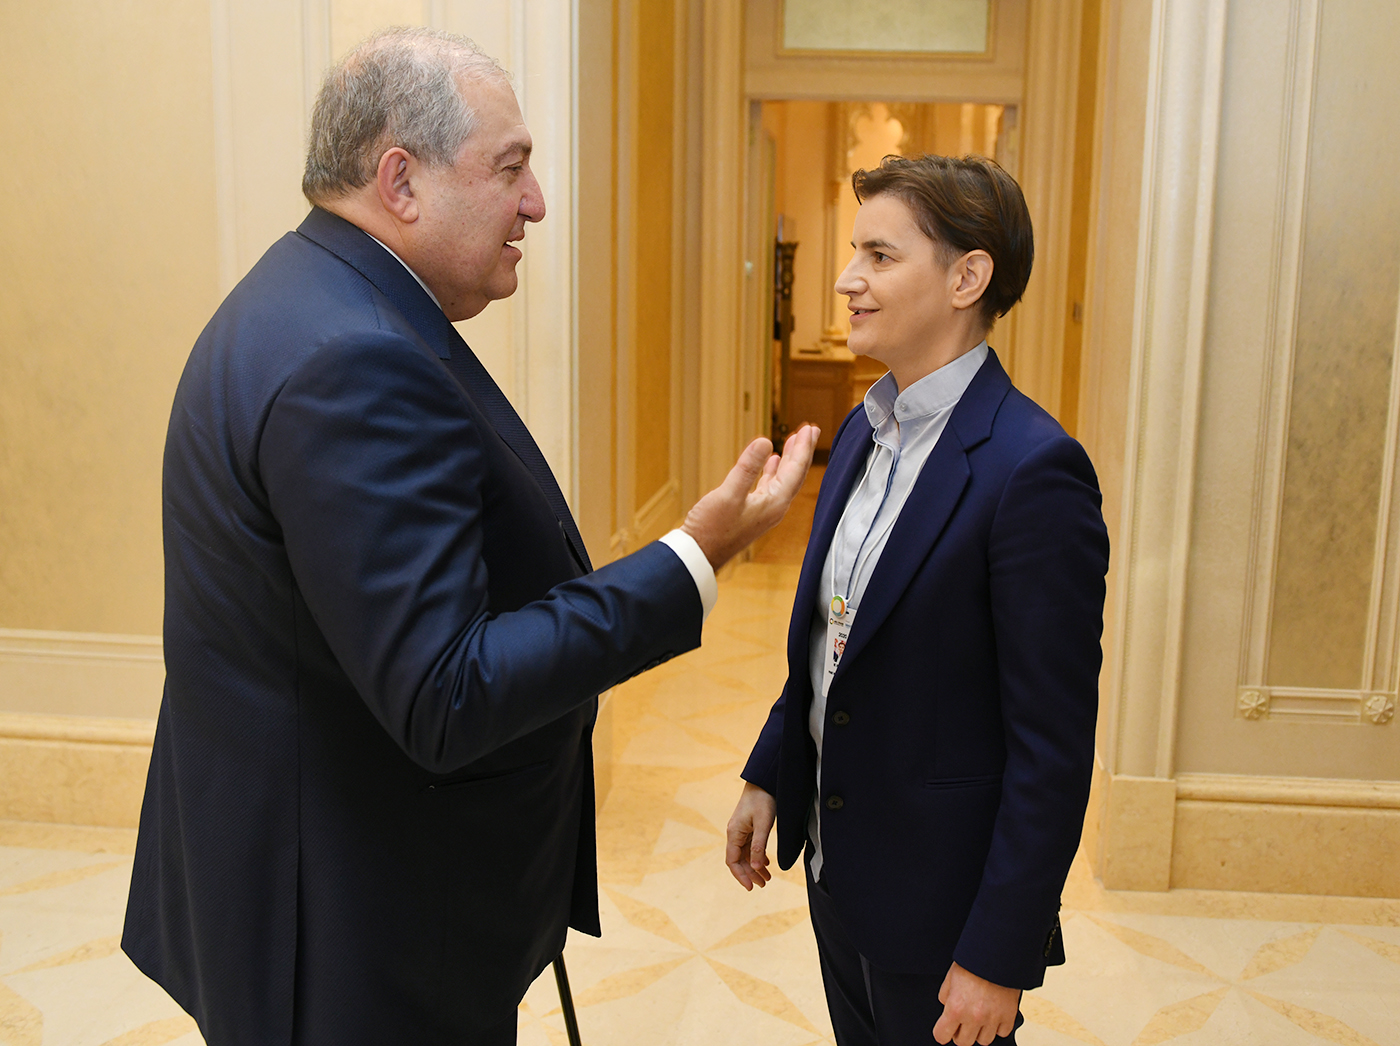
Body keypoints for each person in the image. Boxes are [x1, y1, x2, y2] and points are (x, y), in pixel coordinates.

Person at [121, 27, 816, 1046]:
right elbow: (443, 693)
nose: (535, 202)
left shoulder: (308, 293)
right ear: (400, 180)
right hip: (355, 928)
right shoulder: (355, 357)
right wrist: (692, 557)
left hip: (309, 871)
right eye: (509, 167)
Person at [725, 154, 1109, 1046]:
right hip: (840, 878)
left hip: (944, 914)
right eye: (853, 252)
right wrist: (770, 771)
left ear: (967, 278)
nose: (846, 279)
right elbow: (837, 642)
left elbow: (1052, 750)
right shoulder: (864, 431)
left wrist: (999, 954)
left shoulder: (1033, 471)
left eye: (879, 256)